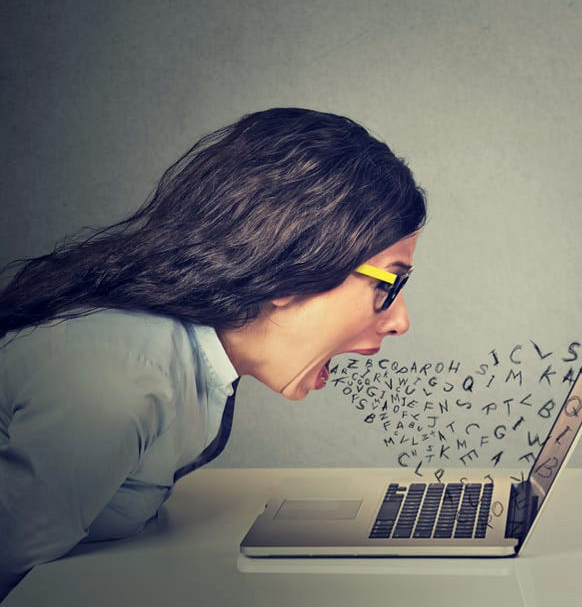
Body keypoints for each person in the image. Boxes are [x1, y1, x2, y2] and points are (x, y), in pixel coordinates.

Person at [0, 108, 426, 595]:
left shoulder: (198, 370)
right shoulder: (119, 383)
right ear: (291, 267)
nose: (400, 321)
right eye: (390, 284)